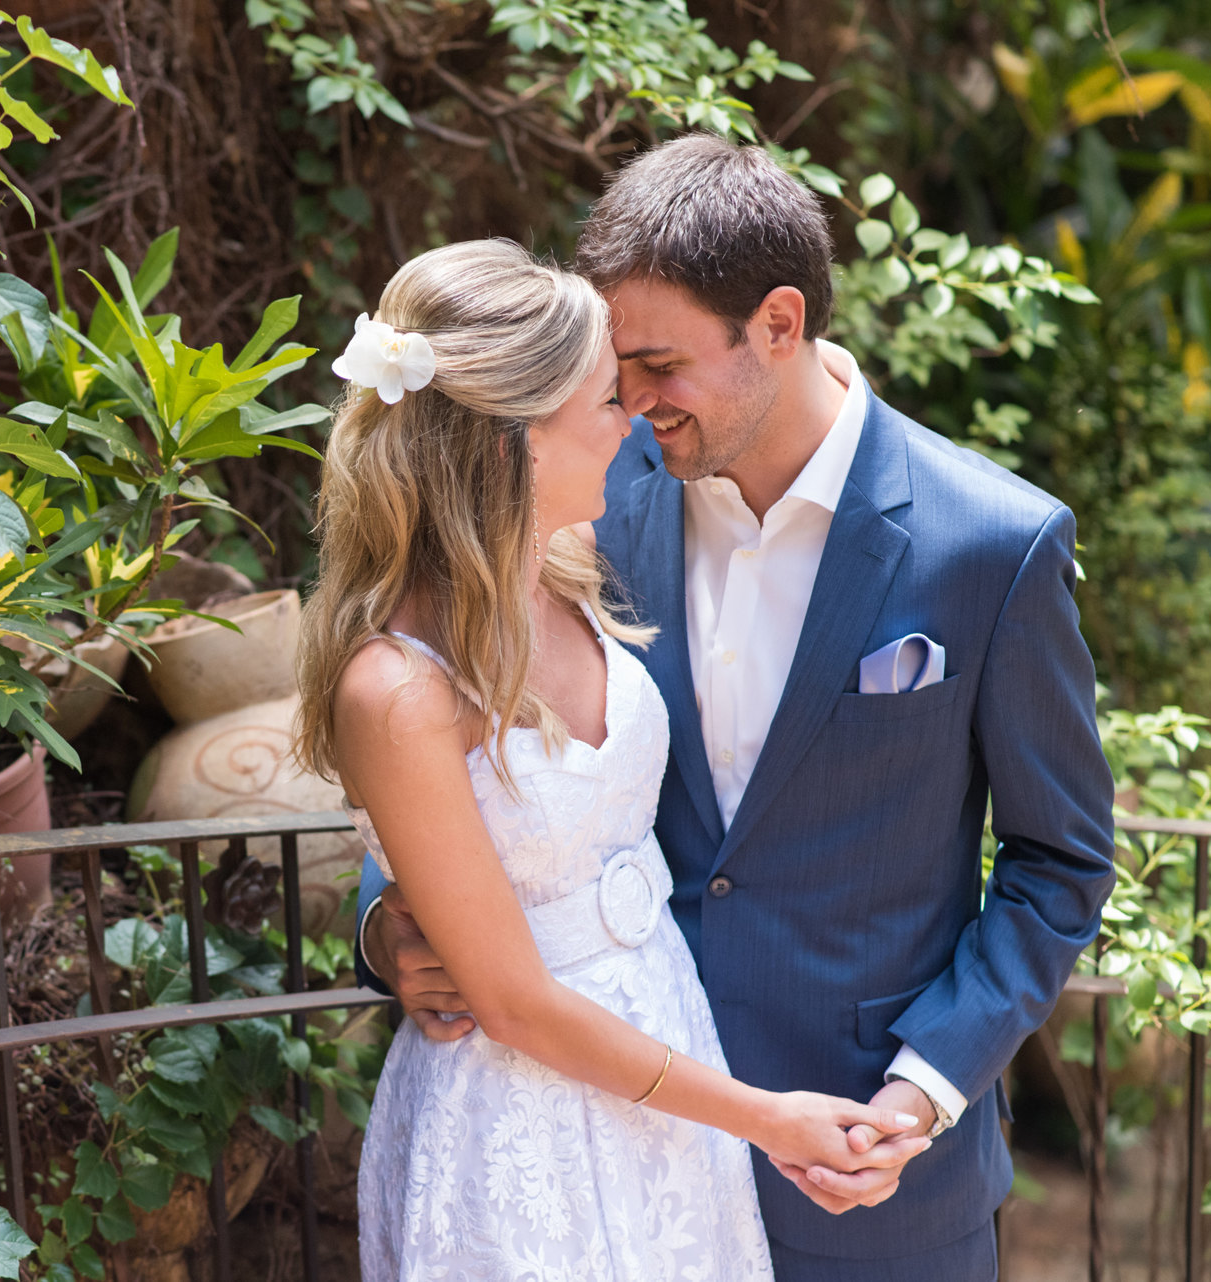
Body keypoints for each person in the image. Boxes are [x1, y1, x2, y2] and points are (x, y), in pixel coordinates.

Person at [351, 134, 1117, 1281]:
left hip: (868, 1171)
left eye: (657, 365)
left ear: (777, 322)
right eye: (616, 373)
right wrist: (392, 922)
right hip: (602, 1144)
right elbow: (456, 714)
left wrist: (921, 1091)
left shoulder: (989, 548)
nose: (631, 403)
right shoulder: (586, 489)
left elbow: (1061, 863)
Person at [296, 237, 933, 1280]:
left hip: (663, 1054)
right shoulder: (396, 688)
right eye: (605, 401)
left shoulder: (567, 563)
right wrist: (767, 1119)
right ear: (511, 444)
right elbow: (508, 996)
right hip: (515, 1112)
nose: (635, 417)